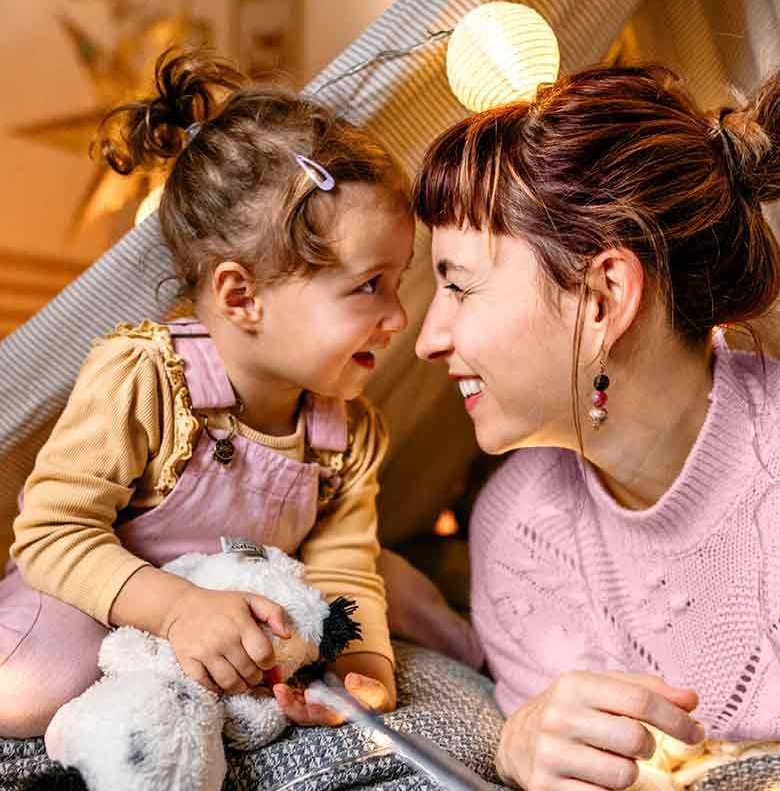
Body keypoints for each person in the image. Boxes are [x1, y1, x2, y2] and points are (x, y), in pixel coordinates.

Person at [0, 48, 414, 738]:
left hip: (239, 608)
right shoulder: (146, 377)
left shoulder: (348, 433)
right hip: (110, 593)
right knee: (25, 690)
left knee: (400, 599)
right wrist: (175, 609)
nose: (398, 317)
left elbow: (344, 565)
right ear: (240, 294)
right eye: (371, 285)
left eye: (400, 283)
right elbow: (51, 533)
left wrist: (360, 668)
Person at [413, 64, 780, 790]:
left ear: (603, 297)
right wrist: (519, 750)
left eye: (458, 285)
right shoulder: (516, 528)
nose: (428, 338)